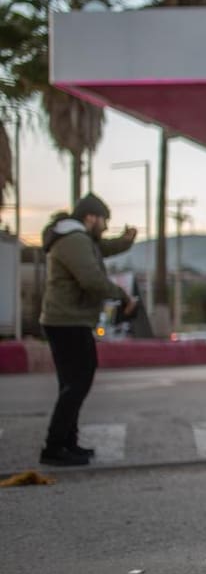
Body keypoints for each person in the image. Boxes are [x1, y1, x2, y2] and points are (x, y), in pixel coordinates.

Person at [38, 193, 138, 466]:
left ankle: (67, 443)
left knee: (72, 384)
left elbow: (101, 248)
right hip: (67, 321)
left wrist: (126, 242)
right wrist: (123, 295)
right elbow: (91, 279)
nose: (106, 227)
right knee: (77, 383)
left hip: (68, 320)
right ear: (90, 217)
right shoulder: (75, 240)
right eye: (104, 220)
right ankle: (55, 446)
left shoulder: (78, 239)